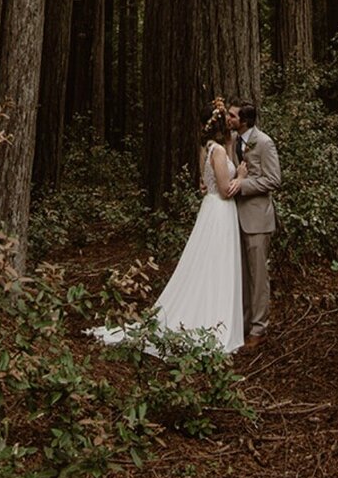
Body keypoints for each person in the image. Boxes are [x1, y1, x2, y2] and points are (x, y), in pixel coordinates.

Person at [89, 101, 246, 355]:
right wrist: (240, 176)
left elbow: (204, 185)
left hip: (211, 208)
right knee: (216, 264)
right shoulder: (216, 152)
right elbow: (226, 191)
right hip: (220, 211)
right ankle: (212, 321)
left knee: (209, 264)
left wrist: (230, 149)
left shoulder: (206, 148)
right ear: (219, 124)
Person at [227, 101, 281, 341]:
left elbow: (273, 179)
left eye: (232, 115)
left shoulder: (264, 143)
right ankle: (243, 322)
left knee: (258, 276)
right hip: (233, 217)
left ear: (245, 121)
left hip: (257, 219)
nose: (228, 118)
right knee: (241, 274)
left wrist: (243, 185)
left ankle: (259, 327)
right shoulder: (231, 140)